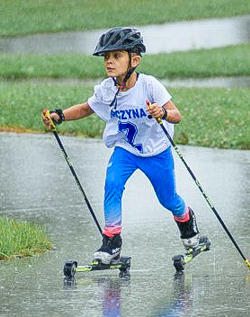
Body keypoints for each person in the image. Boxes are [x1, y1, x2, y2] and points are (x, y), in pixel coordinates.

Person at [42, 26, 202, 264]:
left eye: (116, 56)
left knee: (167, 199)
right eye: (106, 57)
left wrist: (162, 113)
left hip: (157, 152)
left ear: (134, 59)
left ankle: (188, 223)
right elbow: (87, 108)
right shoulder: (107, 89)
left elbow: (176, 114)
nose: (109, 62)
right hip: (126, 150)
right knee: (112, 185)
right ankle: (112, 241)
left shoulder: (149, 85)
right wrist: (60, 115)